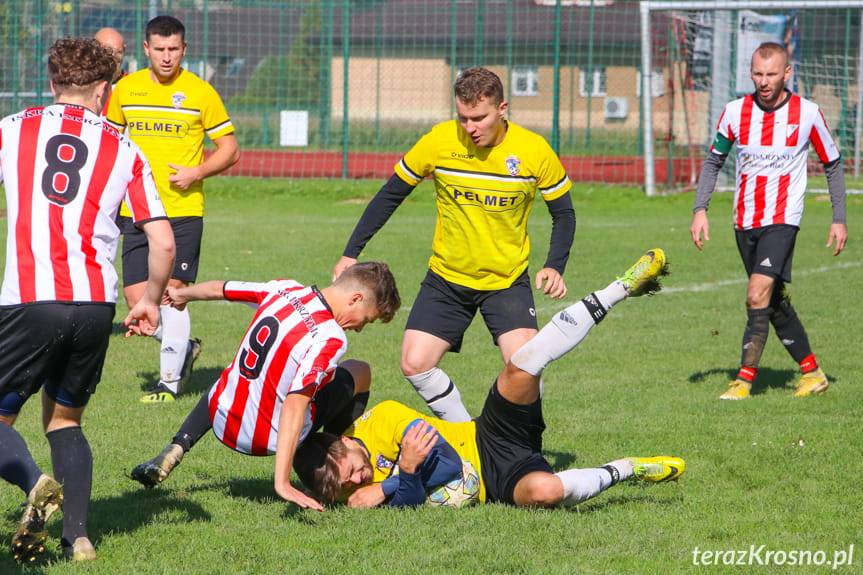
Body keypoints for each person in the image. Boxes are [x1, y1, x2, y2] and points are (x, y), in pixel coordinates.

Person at [298, 250, 684, 509]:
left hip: (488, 436)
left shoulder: (383, 419)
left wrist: (392, 482)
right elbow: (408, 505)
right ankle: (628, 468)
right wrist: (402, 480)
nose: (358, 481)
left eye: (352, 472)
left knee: (521, 365)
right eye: (350, 485)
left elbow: (449, 465)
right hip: (496, 482)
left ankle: (621, 287)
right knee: (545, 492)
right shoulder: (343, 485)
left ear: (344, 442)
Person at [0, 38, 174, 562]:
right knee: (65, 422)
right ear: (104, 90)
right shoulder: (126, 148)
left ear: (53, 84)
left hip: (31, 299)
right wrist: (151, 301)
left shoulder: (12, 129)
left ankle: (34, 481)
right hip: (96, 305)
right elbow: (163, 241)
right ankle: (78, 539)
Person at [332, 67, 576, 423]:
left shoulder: (533, 150)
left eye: (479, 118)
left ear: (502, 109)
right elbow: (390, 195)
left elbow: (564, 213)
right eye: (463, 118)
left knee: (525, 367)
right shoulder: (440, 141)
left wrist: (555, 264)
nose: (470, 127)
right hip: (446, 278)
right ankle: (467, 437)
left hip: (505, 281)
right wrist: (350, 252)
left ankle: (521, 446)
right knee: (414, 362)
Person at [128, 262, 401, 511]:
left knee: (233, 377)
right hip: (268, 439)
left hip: (225, 419)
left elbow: (220, 289)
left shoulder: (284, 289)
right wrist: (282, 482)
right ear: (356, 299)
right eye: (367, 319)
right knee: (359, 371)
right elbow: (295, 403)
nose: (360, 328)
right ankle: (338, 463)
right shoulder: (330, 337)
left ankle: (179, 444)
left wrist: (181, 295)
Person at [689, 42, 848, 400]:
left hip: (783, 219)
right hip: (744, 220)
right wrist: (700, 209)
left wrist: (839, 218)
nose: (763, 81)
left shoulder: (807, 113)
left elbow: (833, 164)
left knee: (756, 293)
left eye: (771, 74)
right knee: (771, 300)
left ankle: (744, 381)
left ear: (787, 73)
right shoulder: (734, 112)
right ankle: (813, 373)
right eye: (758, 74)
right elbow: (713, 162)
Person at [106, 15, 241, 403]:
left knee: (170, 295)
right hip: (136, 209)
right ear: (146, 49)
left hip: (183, 209)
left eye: (174, 49)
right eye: (159, 49)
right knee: (138, 300)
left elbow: (230, 150)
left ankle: (168, 383)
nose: (166, 57)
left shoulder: (200, 92)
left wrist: (197, 171)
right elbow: (110, 143)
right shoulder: (125, 90)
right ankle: (184, 346)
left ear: (185, 49)